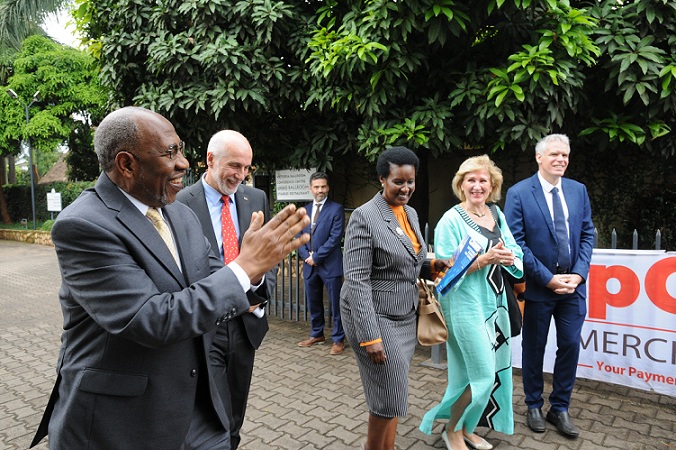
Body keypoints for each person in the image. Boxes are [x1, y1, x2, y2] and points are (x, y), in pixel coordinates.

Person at [29, 106, 310, 449]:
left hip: (198, 414)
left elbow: (214, 281)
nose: (183, 163)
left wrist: (254, 272)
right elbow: (151, 318)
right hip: (121, 423)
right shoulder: (83, 226)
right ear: (127, 164)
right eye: (170, 152)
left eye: (180, 149)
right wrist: (245, 267)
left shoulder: (179, 214)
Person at [341, 147, 449, 450]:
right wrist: (369, 336)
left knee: (395, 391)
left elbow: (406, 259)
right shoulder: (364, 217)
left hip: (404, 315)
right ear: (382, 179)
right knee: (387, 397)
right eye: (398, 182)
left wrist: (430, 266)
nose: (406, 189)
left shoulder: (410, 213)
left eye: (410, 182)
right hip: (375, 317)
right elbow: (357, 280)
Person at [176, 129, 274, 449]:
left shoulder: (255, 198)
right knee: (212, 416)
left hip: (246, 324)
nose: (241, 175)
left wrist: (257, 289)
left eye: (247, 168)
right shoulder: (179, 202)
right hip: (206, 325)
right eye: (234, 166)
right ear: (209, 160)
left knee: (236, 413)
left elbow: (265, 257)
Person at [419, 155, 524, 450]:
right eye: (471, 180)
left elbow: (516, 251)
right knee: (481, 373)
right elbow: (443, 272)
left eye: (483, 180)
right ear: (461, 184)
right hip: (464, 305)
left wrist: (509, 257)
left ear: (492, 186)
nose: (477, 186)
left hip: (496, 304)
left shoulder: (496, 214)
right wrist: (484, 260)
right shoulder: (450, 220)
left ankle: (466, 427)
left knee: (491, 371)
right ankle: (450, 430)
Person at [504, 134, 594, 438]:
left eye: (565, 155)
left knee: (569, 344)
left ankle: (560, 407)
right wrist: (548, 278)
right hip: (540, 287)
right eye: (554, 154)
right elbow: (517, 244)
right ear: (539, 158)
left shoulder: (578, 191)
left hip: (572, 286)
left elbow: (587, 235)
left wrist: (579, 275)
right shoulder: (518, 193)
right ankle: (532, 404)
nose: (561, 159)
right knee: (534, 347)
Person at [296, 172, 346, 355]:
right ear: (310, 189)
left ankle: (338, 339)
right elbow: (298, 235)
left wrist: (316, 256)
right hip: (310, 266)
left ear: (328, 188)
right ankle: (317, 333)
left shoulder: (336, 209)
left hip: (329, 264)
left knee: (336, 304)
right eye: (316, 187)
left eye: (323, 186)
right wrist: (306, 256)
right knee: (313, 301)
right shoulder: (305, 210)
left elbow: (335, 238)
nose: (320, 190)